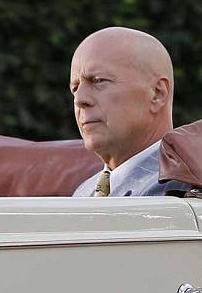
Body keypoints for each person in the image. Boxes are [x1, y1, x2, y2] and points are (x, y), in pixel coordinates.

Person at [70, 26, 188, 197]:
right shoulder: (83, 192)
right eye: (75, 88)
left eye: (98, 80)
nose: (79, 99)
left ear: (157, 93)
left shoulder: (182, 187)